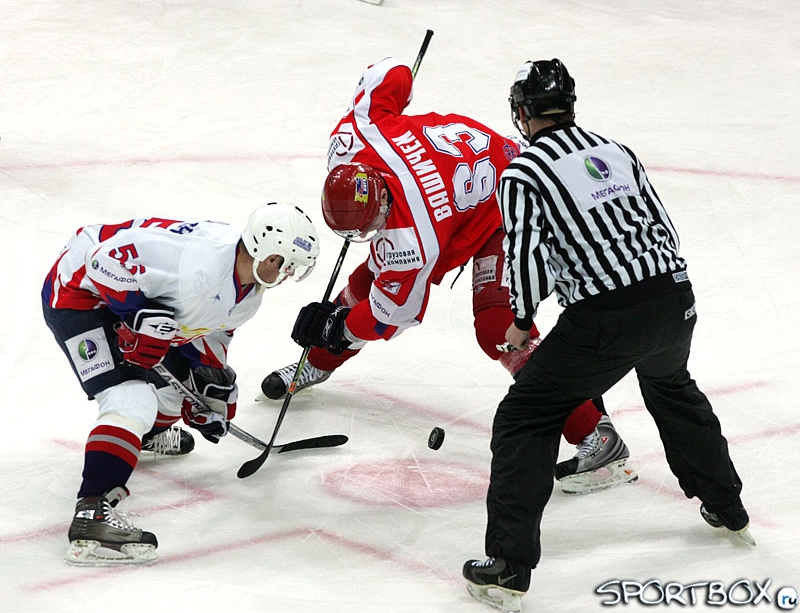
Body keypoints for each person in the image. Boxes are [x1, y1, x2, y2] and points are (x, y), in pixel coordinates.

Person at [262, 56, 636, 494]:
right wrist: (334, 330)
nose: (371, 235)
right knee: (367, 281)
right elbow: (391, 73)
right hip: (463, 197)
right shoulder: (356, 137)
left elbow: (389, 316)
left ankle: (596, 434)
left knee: (497, 326)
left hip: (507, 207)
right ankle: (319, 362)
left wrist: (339, 327)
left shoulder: (411, 241)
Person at [461, 59, 752, 613]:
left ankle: (507, 567)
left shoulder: (523, 172)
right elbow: (657, 223)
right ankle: (728, 507)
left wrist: (521, 324)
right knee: (672, 388)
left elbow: (523, 257)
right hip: (675, 299)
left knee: (526, 414)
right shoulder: (617, 150)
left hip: (607, 316)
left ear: (522, 112)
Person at [42, 202, 319, 566]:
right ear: (259, 247)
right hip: (79, 294)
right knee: (132, 399)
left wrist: (211, 388)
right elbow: (101, 260)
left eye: (291, 268)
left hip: (137, 302)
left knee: (172, 396)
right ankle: (92, 510)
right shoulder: (198, 261)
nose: (283, 273)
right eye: (280, 262)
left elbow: (209, 336)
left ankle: (136, 438)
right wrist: (137, 312)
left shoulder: (248, 296)